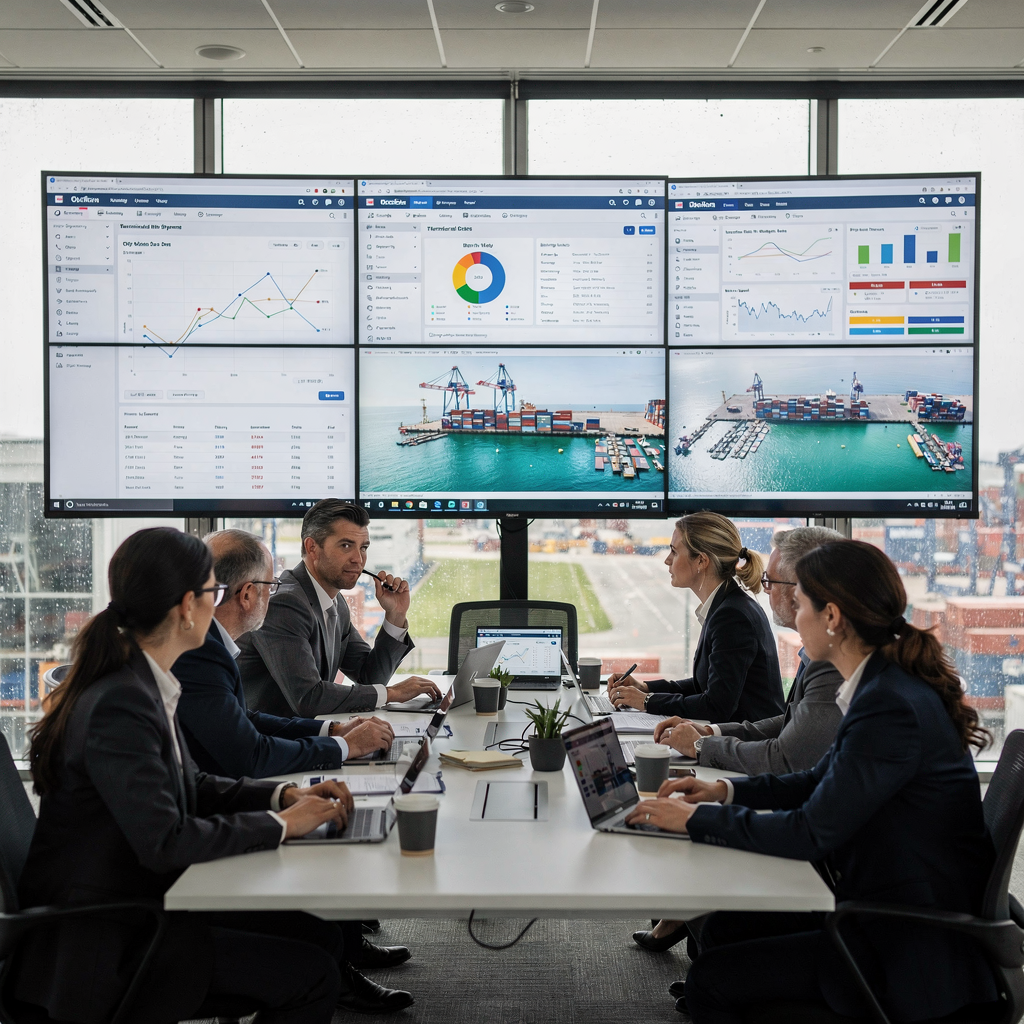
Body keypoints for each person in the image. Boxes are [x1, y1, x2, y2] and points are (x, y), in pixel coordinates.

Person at [13, 527, 415, 1024]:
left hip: (138, 901)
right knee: (311, 973)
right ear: (187, 606)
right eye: (212, 591)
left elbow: (192, 782)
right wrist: (286, 825)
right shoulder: (122, 701)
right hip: (114, 940)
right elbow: (167, 840)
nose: (221, 602)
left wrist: (283, 798)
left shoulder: (139, 678)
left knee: (322, 934)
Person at [625, 540, 998, 1023]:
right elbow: (816, 779)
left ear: (833, 617)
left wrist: (699, 821)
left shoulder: (888, 705)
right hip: (883, 898)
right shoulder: (882, 684)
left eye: (799, 604)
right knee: (720, 928)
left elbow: (809, 831)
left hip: (908, 945)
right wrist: (724, 790)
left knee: (713, 980)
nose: (794, 618)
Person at [632, 526, 845, 955]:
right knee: (710, 942)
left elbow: (789, 762)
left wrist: (703, 802)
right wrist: (719, 783)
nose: (765, 594)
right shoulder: (842, 668)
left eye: (778, 585)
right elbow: (791, 738)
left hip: (859, 895)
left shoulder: (857, 683)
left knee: (711, 965)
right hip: (838, 849)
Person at [174, 529, 399, 779]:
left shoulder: (213, 645)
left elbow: (247, 719)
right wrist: (346, 746)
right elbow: (252, 756)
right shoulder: (201, 655)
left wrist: (333, 729)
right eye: (271, 586)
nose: (274, 594)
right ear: (247, 594)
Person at [238, 499, 442, 718]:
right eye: (346, 546)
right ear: (312, 548)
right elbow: (308, 698)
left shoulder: (335, 602)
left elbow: (370, 678)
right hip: (272, 742)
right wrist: (392, 693)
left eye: (363, 547)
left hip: (305, 735)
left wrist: (395, 614)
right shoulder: (285, 604)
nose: (358, 559)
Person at [607, 512, 785, 724]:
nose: (667, 560)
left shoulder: (732, 616)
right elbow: (706, 685)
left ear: (701, 561)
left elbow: (715, 706)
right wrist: (645, 688)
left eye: (674, 551)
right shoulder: (727, 604)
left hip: (749, 746)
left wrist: (646, 701)